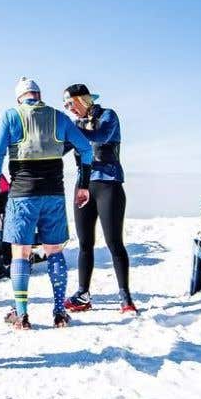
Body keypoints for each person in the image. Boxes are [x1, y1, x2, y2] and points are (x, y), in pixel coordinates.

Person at [0, 77, 93, 329]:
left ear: (19, 98)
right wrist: (84, 183)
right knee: (54, 251)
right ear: (39, 94)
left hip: (22, 194)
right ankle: (59, 312)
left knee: (20, 252)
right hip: (54, 194)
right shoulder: (59, 117)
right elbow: (86, 148)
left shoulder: (11, 115)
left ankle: (22, 315)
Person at [62, 83, 136, 314]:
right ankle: (83, 294)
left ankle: (126, 298)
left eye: (70, 104)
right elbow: (60, 149)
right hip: (83, 186)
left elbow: (101, 136)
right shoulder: (75, 125)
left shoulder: (108, 116)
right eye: (65, 106)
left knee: (114, 243)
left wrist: (72, 131)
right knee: (85, 244)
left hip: (108, 185)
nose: (69, 109)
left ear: (82, 100)